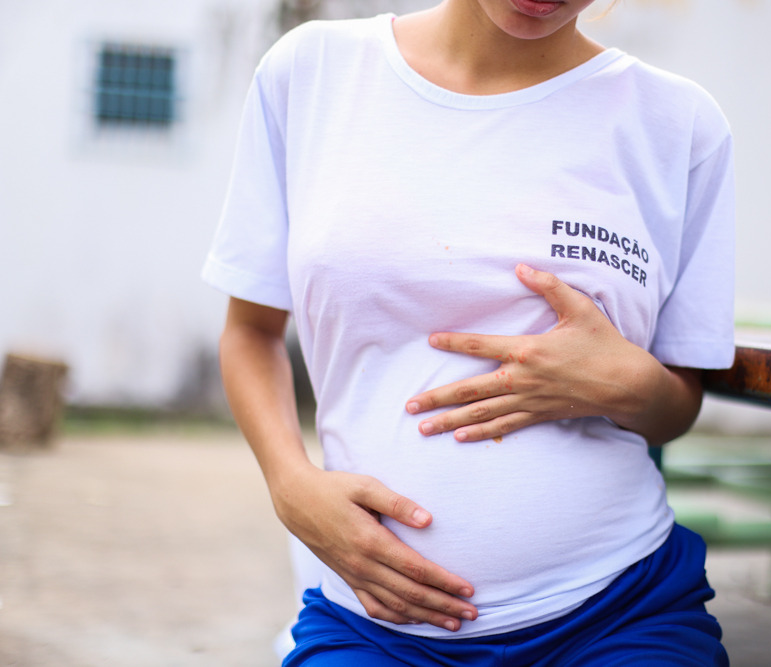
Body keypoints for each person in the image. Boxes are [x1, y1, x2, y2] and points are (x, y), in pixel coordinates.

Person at [202, 0, 735, 664]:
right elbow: (250, 332)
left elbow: (675, 405)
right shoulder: (311, 73)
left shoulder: (679, 124)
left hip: (619, 608)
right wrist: (289, 483)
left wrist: (621, 380)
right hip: (372, 622)